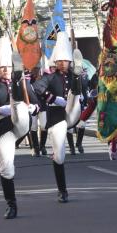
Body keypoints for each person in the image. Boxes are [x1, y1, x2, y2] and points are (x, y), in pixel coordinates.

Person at [0, 38, 39, 219]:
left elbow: (38, 104)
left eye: (9, 67)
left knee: (20, 107)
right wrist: (0, 110)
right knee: (6, 168)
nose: (5, 70)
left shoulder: (26, 83)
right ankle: (11, 204)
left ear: (13, 67)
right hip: (4, 129)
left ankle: (17, 101)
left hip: (22, 123)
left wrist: (34, 108)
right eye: (2, 67)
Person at [33, 32, 84, 203]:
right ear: (55, 62)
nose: (63, 64)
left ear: (71, 62)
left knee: (76, 93)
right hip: (56, 117)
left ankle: (74, 97)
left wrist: (84, 96)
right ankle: (62, 190)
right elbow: (37, 88)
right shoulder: (50, 77)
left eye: (66, 61)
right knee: (59, 156)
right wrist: (53, 98)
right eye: (60, 61)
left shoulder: (74, 76)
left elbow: (90, 89)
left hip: (73, 112)